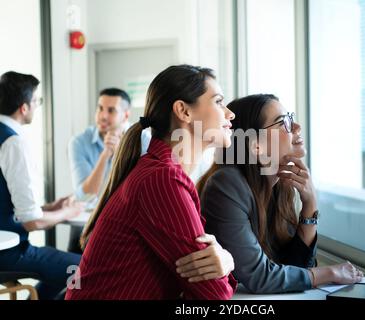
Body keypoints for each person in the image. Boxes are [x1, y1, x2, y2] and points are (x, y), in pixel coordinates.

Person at [65, 65, 237, 300]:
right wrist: (227, 263)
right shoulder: (162, 179)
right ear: (183, 111)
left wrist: (224, 262)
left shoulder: (162, 172)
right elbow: (215, 295)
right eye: (218, 102)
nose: (230, 113)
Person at [185, 94, 364, 293]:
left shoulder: (279, 184)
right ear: (256, 145)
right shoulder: (226, 184)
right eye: (283, 122)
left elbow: (296, 269)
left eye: (290, 117)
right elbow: (260, 277)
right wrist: (330, 273)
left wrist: (310, 206)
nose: (296, 127)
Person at [0, 71, 83, 299]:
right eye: (37, 101)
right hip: (9, 253)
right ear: (24, 107)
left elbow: (8, 206)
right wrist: (68, 211)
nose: (38, 106)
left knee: (62, 271)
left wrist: (50, 208)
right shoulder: (13, 143)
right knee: (85, 269)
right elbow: (32, 222)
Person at [68, 88, 143, 253]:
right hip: (87, 223)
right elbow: (85, 195)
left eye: (111, 110)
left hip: (127, 225)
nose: (103, 115)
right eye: (100, 108)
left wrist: (120, 155)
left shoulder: (143, 140)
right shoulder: (79, 142)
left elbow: (141, 191)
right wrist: (106, 154)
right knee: (73, 270)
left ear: (125, 115)